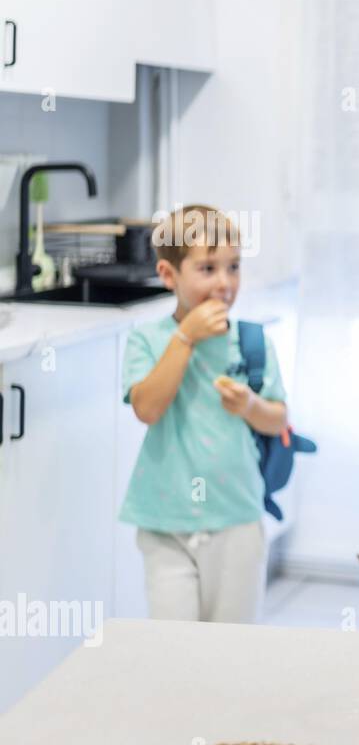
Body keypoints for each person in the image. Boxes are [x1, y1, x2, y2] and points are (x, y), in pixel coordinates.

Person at [120, 204, 288, 623]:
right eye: (208, 268)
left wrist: (250, 405)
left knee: (230, 649)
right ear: (168, 275)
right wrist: (185, 338)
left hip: (237, 519)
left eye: (233, 267)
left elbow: (278, 419)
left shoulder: (252, 341)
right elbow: (148, 408)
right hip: (166, 522)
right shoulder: (147, 340)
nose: (224, 283)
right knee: (176, 647)